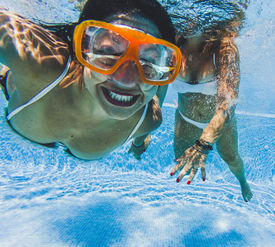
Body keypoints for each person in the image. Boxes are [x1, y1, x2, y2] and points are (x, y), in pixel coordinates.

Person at [0, 0, 182, 160]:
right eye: (107, 53)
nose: (125, 80)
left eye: (148, 63)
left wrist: (138, 143)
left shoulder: (147, 121)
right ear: (83, 50)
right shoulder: (41, 63)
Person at [165, 1, 253, 202]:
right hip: (185, 118)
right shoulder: (173, 43)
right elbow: (155, 85)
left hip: (220, 121)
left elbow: (228, 104)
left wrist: (203, 144)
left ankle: (242, 182)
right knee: (180, 160)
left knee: (232, 158)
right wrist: (143, 133)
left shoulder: (225, 48)